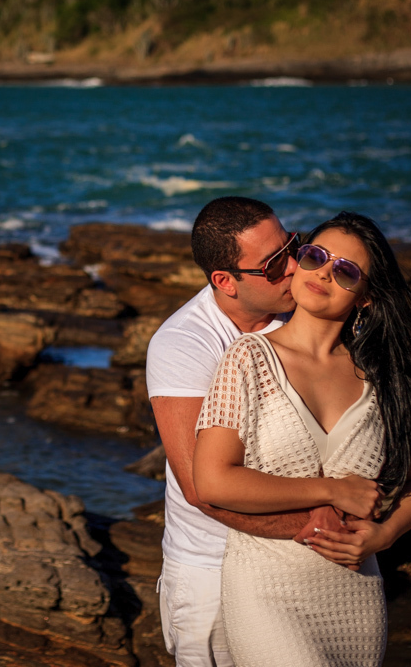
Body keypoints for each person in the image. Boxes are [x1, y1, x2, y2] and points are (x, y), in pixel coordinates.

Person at [192, 211, 411, 667]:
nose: (324, 271)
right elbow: (212, 481)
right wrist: (330, 489)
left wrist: (385, 534)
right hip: (266, 591)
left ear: (365, 297)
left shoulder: (388, 380)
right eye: (315, 256)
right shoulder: (248, 359)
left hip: (355, 596)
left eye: (345, 270)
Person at [146, 196, 345, 667]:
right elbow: (200, 488)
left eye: (294, 246)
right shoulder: (185, 344)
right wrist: (318, 529)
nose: (295, 265)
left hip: (298, 562)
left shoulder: (303, 315)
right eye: (274, 264)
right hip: (213, 571)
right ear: (225, 282)